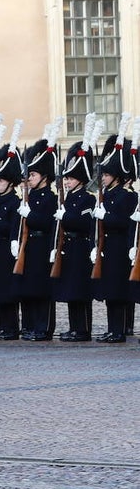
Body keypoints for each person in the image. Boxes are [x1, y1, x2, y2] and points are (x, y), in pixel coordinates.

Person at [92, 127, 137, 343]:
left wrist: (105, 216)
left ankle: (119, 331)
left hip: (119, 248)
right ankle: (113, 329)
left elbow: (123, 222)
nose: (103, 178)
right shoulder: (107, 195)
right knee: (110, 292)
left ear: (116, 176)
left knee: (118, 292)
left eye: (107, 174)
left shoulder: (126, 196)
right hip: (108, 248)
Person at [14, 128, 61, 340]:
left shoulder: (49, 197)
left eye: (33, 175)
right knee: (29, 290)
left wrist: (29, 214)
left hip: (42, 246)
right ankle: (31, 325)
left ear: (44, 176)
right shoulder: (30, 196)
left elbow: (44, 222)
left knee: (42, 291)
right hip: (29, 246)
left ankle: (44, 328)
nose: (29, 178)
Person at [54, 135, 95, 341]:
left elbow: (84, 223)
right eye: (66, 178)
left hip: (80, 247)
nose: (67, 181)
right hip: (68, 247)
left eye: (70, 178)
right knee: (71, 291)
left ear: (80, 177)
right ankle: (73, 327)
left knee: (80, 292)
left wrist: (66, 216)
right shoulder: (68, 197)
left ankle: (83, 329)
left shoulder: (88, 198)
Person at [0, 128, 26, 340]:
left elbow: (11, 226)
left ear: (10, 182)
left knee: (8, 292)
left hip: (6, 249)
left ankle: (11, 327)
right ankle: (1, 326)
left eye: (1, 181)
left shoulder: (13, 201)